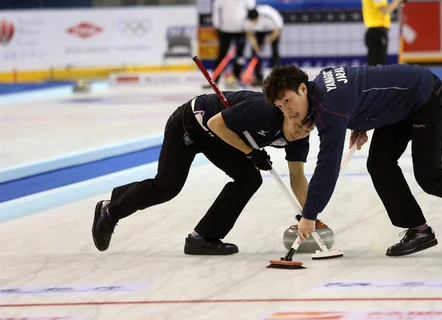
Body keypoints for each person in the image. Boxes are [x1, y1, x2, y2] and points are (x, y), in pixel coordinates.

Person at [263, 64, 442, 257]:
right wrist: (360, 121)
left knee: (429, 175)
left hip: (425, 96)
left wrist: (309, 215)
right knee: (379, 163)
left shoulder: (331, 108)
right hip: (400, 103)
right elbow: (362, 90)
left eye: (287, 101)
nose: (287, 111)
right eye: (279, 106)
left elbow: (327, 166)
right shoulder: (322, 87)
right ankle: (418, 230)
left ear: (303, 89)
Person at [92, 90, 315, 256]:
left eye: (308, 130)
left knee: (249, 179)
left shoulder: (299, 138)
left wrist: (310, 215)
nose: (300, 132)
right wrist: (250, 152)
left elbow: (297, 178)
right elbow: (215, 123)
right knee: (167, 187)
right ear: (287, 112)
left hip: (218, 137)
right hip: (190, 124)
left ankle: (202, 238)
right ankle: (111, 210)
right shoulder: (263, 111)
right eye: (298, 124)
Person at [212, 0, 256, 84]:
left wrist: (249, 26)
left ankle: (237, 78)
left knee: (240, 56)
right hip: (225, 28)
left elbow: (251, 9)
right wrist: (217, 25)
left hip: (241, 29)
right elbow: (216, 9)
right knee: (222, 54)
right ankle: (215, 79)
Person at [244, 5, 284, 85]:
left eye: (255, 20)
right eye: (253, 21)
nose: (254, 22)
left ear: (258, 17)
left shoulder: (268, 18)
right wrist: (256, 48)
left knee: (275, 50)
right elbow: (250, 36)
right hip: (259, 31)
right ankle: (258, 77)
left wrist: (269, 40)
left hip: (274, 29)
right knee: (255, 52)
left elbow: (276, 31)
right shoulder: (247, 22)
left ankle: (276, 76)